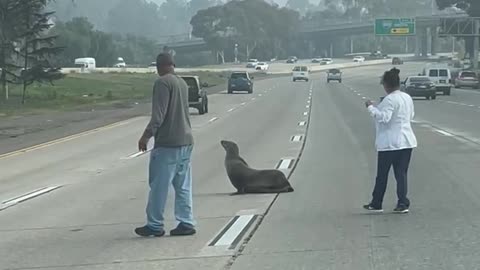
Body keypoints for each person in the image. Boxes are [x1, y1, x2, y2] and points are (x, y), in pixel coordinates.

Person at [135, 53, 196, 237]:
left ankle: (154, 225)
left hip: (169, 142)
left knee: (159, 186)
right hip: (186, 140)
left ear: (159, 66)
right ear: (173, 65)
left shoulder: (162, 83)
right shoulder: (182, 83)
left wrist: (146, 136)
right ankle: (186, 222)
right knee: (183, 185)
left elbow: (158, 115)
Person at [363, 68, 417, 214]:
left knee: (382, 175)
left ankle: (377, 203)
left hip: (389, 144)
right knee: (401, 174)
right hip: (406, 141)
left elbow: (384, 118)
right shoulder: (407, 97)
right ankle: (402, 203)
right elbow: (411, 116)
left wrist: (371, 108)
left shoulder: (389, 100)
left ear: (386, 85)